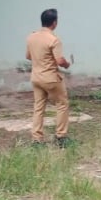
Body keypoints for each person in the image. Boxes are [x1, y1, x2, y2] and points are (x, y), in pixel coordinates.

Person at [26, 8, 72, 147]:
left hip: (36, 78)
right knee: (62, 104)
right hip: (51, 78)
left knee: (38, 108)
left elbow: (28, 56)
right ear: (54, 23)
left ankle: (37, 139)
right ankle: (61, 137)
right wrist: (67, 64)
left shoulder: (31, 37)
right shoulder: (54, 39)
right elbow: (59, 61)